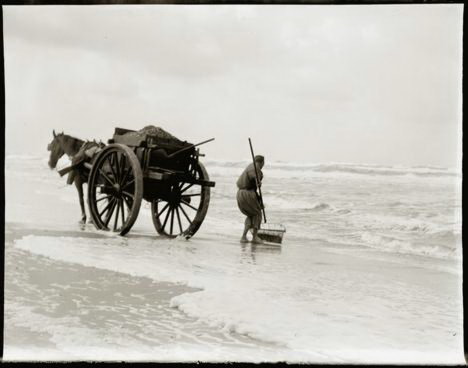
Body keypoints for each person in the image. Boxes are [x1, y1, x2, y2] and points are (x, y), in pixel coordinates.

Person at [236, 155, 265, 244]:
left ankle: (244, 236)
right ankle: (255, 237)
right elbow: (254, 176)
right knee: (257, 213)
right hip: (247, 194)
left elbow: (252, 176)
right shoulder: (255, 168)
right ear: (262, 162)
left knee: (251, 215)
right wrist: (258, 182)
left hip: (240, 193)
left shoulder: (249, 166)